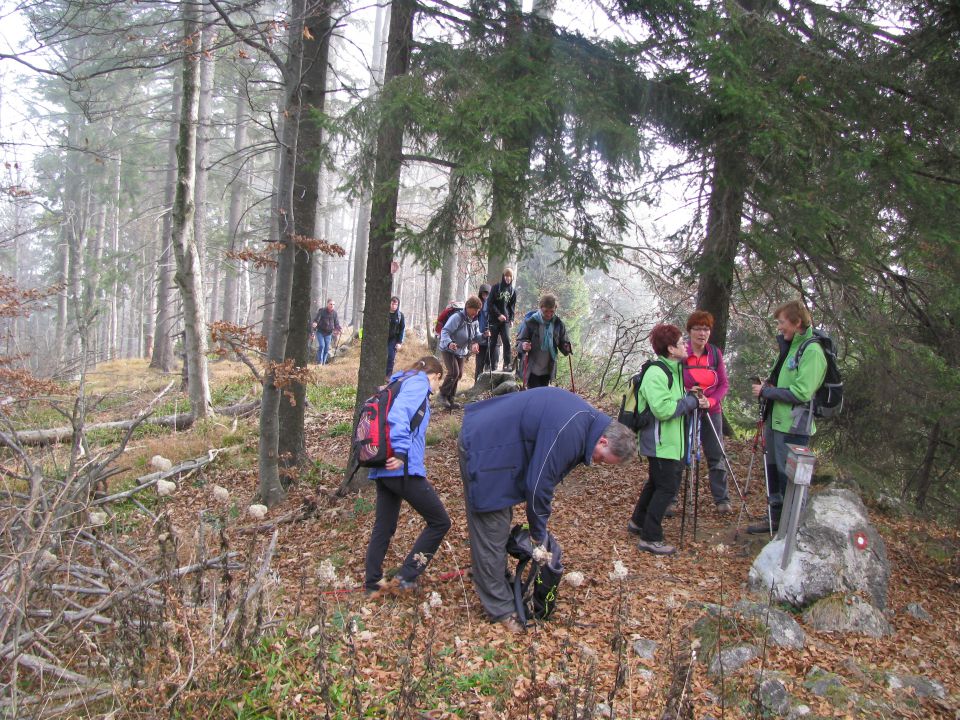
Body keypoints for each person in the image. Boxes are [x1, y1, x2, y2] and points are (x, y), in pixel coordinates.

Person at [458, 387, 636, 631]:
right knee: (491, 528)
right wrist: (538, 534)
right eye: (603, 458)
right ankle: (500, 610)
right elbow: (539, 483)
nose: (598, 463)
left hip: (500, 446)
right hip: (485, 446)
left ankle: (499, 581)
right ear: (603, 441)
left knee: (497, 527)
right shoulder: (572, 431)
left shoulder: (584, 422)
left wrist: (538, 531)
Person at [364, 356, 451, 595]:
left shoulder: (398, 382)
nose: (435, 389)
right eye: (438, 383)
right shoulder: (417, 384)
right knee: (440, 521)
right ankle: (406, 578)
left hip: (383, 465)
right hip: (401, 466)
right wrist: (401, 453)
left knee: (384, 525)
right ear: (436, 376)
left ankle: (372, 584)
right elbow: (399, 415)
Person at [627, 323, 710, 556]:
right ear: (671, 349)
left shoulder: (672, 370)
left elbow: (673, 402)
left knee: (656, 483)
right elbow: (663, 409)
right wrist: (691, 402)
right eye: (682, 342)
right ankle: (650, 538)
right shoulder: (656, 372)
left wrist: (690, 398)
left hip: (670, 442)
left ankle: (638, 522)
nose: (686, 345)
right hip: (661, 442)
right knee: (667, 487)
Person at [748, 300, 827, 534]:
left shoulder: (812, 351)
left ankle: (792, 530)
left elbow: (802, 392)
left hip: (794, 425)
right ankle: (775, 519)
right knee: (773, 470)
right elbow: (785, 382)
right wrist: (769, 386)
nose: (779, 328)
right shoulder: (790, 347)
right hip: (777, 420)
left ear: (797, 322)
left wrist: (767, 391)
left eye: (782, 323)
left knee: (790, 476)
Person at [683, 310, 732, 514]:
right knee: (682, 452)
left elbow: (723, 384)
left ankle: (722, 499)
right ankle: (672, 498)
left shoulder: (714, 353)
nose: (702, 333)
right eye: (697, 329)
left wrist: (710, 401)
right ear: (690, 331)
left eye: (706, 329)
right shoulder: (682, 353)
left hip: (711, 410)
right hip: (686, 408)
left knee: (715, 453)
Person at [516, 293, 572, 389]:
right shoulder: (530, 322)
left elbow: (563, 342)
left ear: (555, 309)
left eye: (552, 311)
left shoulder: (558, 324)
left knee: (542, 395)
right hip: (531, 368)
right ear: (541, 307)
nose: (549, 314)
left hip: (547, 369)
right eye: (546, 311)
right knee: (535, 395)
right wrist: (523, 345)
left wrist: (567, 347)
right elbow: (519, 342)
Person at [438, 295, 482, 409]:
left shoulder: (474, 321)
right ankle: (442, 395)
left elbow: (475, 336)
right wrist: (449, 343)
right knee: (454, 372)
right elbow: (445, 331)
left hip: (461, 351)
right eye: (475, 310)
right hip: (448, 348)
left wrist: (484, 335)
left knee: (459, 374)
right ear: (468, 307)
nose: (476, 313)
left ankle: (450, 399)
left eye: (478, 311)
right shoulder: (457, 317)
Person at [486, 268, 517, 372]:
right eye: (506, 276)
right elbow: (490, 304)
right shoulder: (495, 288)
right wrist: (498, 315)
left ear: (512, 278)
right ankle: (488, 364)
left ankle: (507, 364)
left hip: (505, 321)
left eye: (510, 276)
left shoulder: (512, 291)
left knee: (507, 341)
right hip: (494, 320)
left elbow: (512, 307)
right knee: (492, 342)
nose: (508, 278)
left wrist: (511, 319)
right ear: (503, 277)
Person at [474, 284, 495, 379]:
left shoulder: (495, 306)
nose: (485, 297)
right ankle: (476, 386)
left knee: (492, 365)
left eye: (487, 294)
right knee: (479, 365)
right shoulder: (477, 307)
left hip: (494, 340)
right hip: (481, 339)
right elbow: (474, 324)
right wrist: (475, 340)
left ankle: (490, 389)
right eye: (483, 295)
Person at [312, 299, 341, 365]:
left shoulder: (334, 313)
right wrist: (315, 323)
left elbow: (336, 324)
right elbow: (317, 319)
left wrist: (339, 329)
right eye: (331, 304)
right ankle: (319, 362)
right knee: (322, 346)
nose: (332, 305)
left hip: (329, 333)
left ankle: (323, 363)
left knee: (326, 348)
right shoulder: (322, 311)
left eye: (333, 304)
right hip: (320, 332)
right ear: (327, 304)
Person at [386, 296, 406, 380]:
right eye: (392, 304)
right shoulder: (384, 313)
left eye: (396, 304)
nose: (394, 306)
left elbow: (402, 329)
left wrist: (399, 342)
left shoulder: (400, 315)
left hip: (393, 339)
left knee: (391, 356)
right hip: (382, 338)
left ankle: (388, 375)